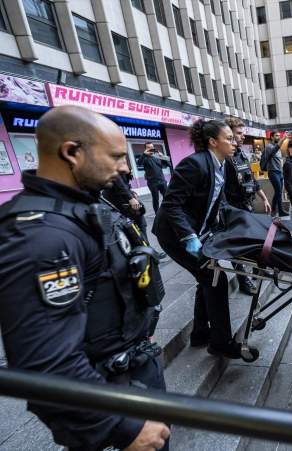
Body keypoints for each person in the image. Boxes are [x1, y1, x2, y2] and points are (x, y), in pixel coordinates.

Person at [0, 106, 170, 451]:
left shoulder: (82, 209)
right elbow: (45, 363)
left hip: (130, 374)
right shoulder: (41, 237)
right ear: (71, 153)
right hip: (108, 400)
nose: (125, 167)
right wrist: (123, 429)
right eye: (117, 156)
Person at [153, 119, 257, 358]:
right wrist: (189, 237)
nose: (234, 142)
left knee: (207, 278)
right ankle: (220, 343)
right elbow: (171, 204)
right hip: (174, 235)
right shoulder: (194, 164)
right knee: (215, 278)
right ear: (213, 142)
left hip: (197, 230)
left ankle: (200, 333)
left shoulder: (222, 164)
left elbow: (217, 201)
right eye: (228, 138)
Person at [223, 116, 271, 295]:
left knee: (255, 239)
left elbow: (253, 180)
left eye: (243, 133)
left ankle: (257, 270)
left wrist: (264, 198)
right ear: (228, 134)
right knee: (238, 246)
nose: (243, 136)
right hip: (233, 209)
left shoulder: (241, 154)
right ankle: (243, 279)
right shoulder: (225, 159)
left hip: (247, 206)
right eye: (239, 133)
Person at [262, 131, 289, 217]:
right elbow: (274, 150)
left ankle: (280, 211)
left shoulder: (279, 148)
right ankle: (273, 210)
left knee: (279, 192)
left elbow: (279, 160)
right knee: (278, 191)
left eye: (279, 136)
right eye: (277, 136)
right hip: (273, 172)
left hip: (279, 172)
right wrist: (283, 139)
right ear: (272, 137)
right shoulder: (269, 147)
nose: (278, 137)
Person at [141, 142, 170, 213]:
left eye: (152, 147)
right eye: (148, 147)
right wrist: (144, 154)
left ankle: (167, 210)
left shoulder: (157, 157)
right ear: (145, 149)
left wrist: (162, 157)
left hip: (162, 181)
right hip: (152, 183)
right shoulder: (144, 158)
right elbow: (139, 163)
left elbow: (168, 165)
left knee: (167, 197)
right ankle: (157, 213)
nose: (151, 149)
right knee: (155, 199)